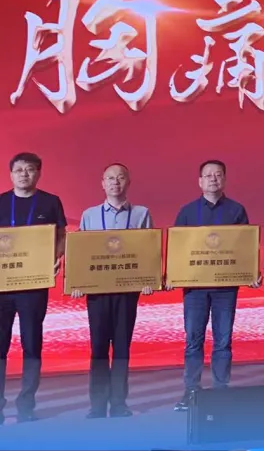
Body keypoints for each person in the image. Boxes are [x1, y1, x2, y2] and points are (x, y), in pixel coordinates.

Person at [172, 160, 259, 412]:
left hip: (225, 288)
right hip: (195, 289)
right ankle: (191, 391)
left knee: (223, 341)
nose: (213, 179)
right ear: (200, 181)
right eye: (208, 175)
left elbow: (244, 248)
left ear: (225, 180)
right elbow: (179, 249)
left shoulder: (236, 210)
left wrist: (250, 272)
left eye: (218, 175)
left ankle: (221, 391)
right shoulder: (187, 212)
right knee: (193, 341)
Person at [73, 163, 155, 419]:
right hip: (97, 293)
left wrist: (149, 279)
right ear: (102, 183)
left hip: (127, 291)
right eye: (110, 178)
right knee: (98, 348)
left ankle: (119, 403)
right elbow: (81, 253)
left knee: (121, 348)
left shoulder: (141, 213)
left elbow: (148, 251)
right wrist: (76, 282)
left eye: (120, 177)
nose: (115, 182)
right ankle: (97, 405)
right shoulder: (89, 215)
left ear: (128, 182)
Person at [0, 152, 66, 424]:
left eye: (30, 169)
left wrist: (58, 256)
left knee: (31, 345)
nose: (24, 174)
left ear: (39, 173)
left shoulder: (50, 202)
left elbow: (60, 234)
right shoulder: (1, 202)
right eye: (19, 170)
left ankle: (26, 404)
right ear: (11, 174)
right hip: (2, 287)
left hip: (34, 286)